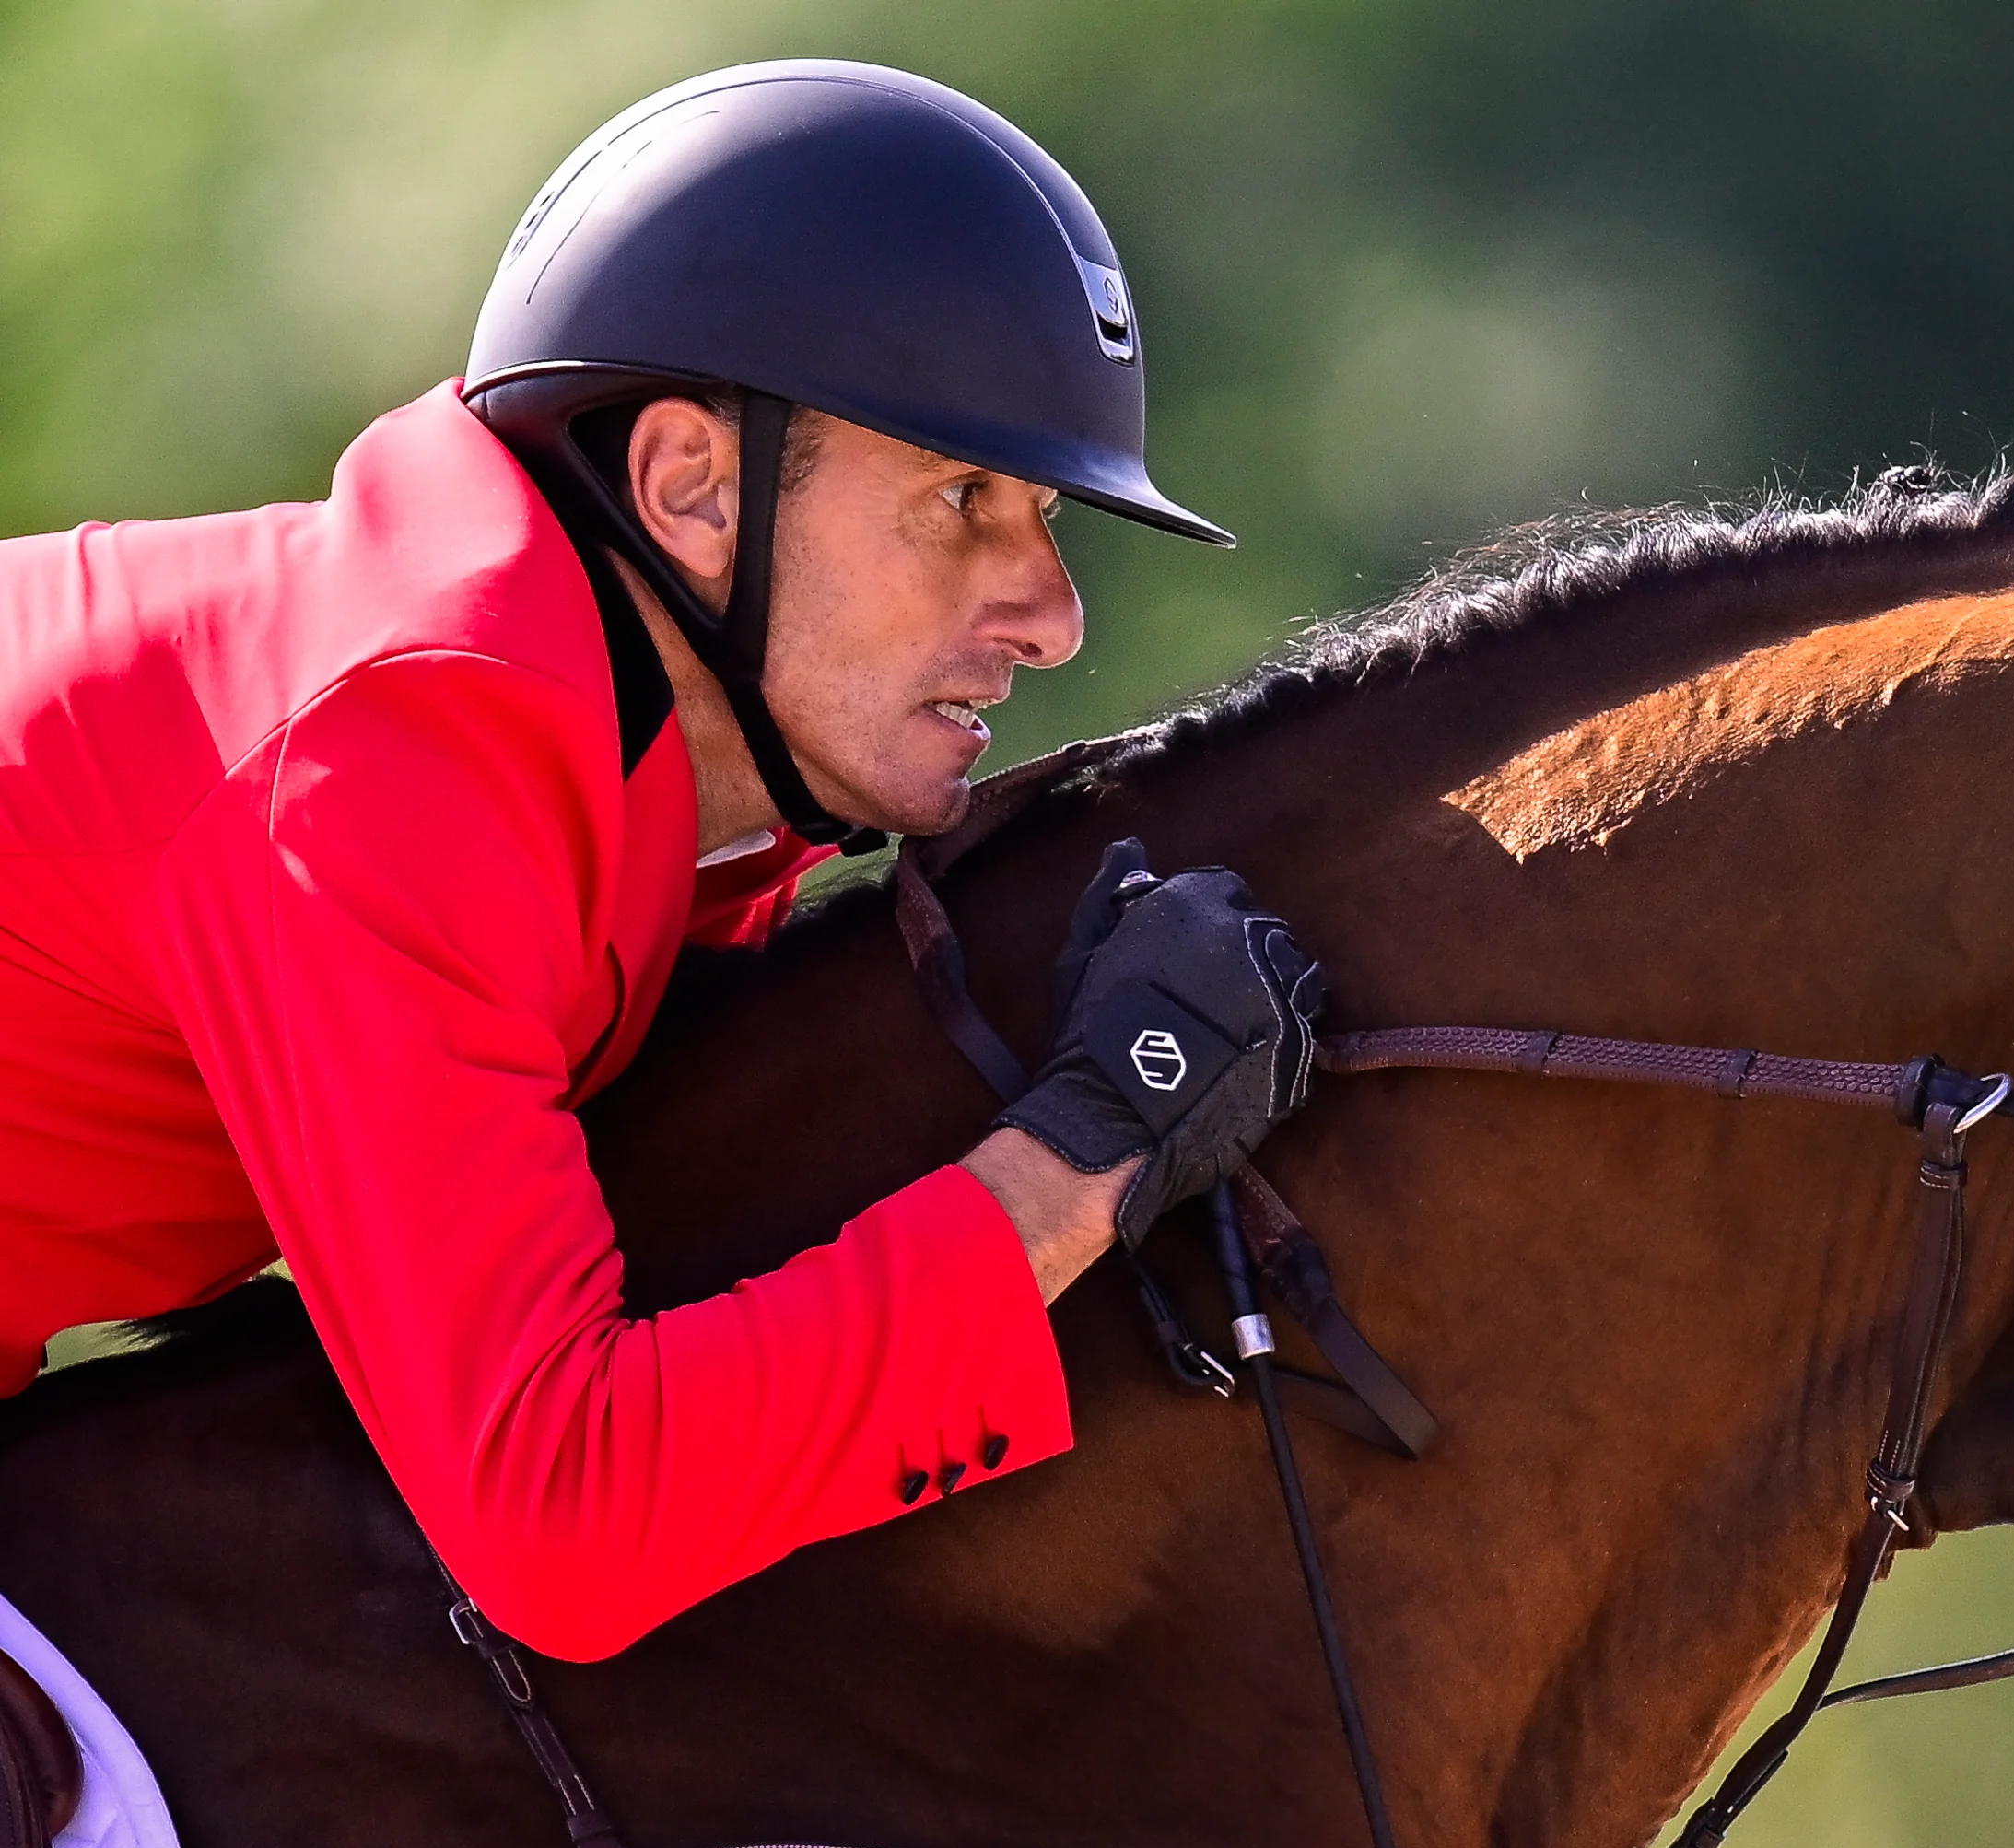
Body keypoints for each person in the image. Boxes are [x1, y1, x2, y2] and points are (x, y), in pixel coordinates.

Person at [0, 62, 1317, 1659]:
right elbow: (561, 1526)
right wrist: (1083, 1156)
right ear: (689, 486)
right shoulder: (390, 760)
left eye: (1040, 515)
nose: (1052, 614)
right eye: (963, 499)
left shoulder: (610, 750)